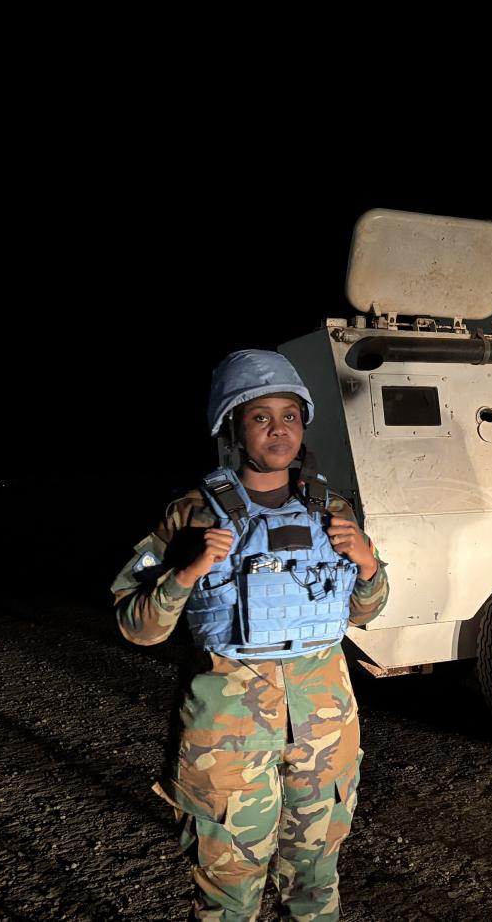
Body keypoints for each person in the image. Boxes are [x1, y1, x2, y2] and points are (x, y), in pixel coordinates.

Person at [112, 349, 388, 921]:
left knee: (316, 885)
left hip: (324, 728)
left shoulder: (333, 511)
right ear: (234, 427)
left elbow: (366, 611)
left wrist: (366, 564)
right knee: (228, 894)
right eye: (261, 417)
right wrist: (184, 573)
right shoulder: (189, 517)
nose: (278, 429)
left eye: (289, 415)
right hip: (229, 739)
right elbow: (135, 624)